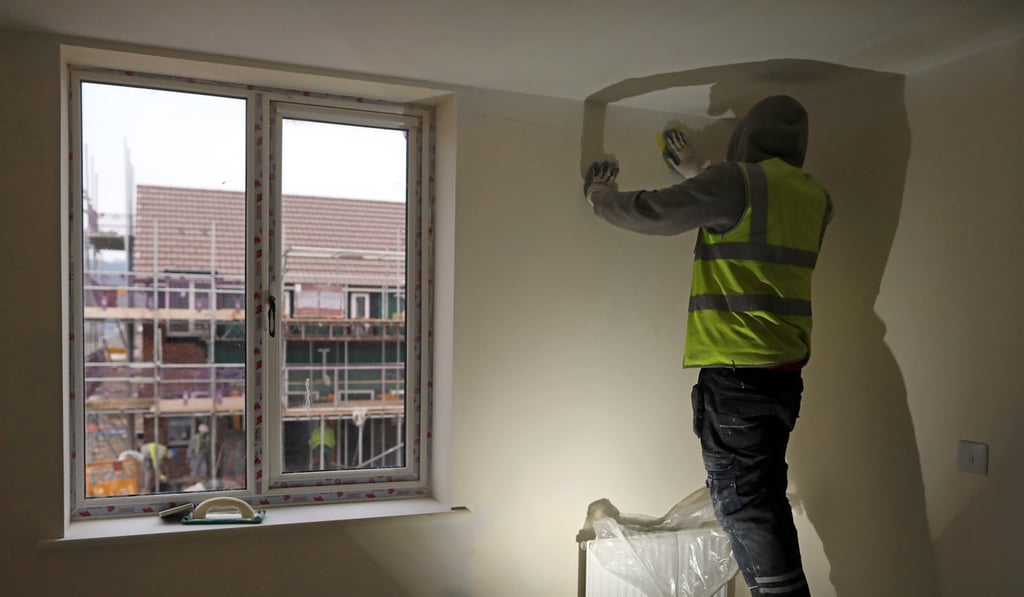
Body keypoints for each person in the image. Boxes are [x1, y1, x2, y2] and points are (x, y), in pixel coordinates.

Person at [584, 95, 832, 597]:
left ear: (747, 138)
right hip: (781, 374)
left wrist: (600, 196)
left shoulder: (735, 184)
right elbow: (749, 211)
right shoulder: (816, 197)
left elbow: (654, 212)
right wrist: (701, 170)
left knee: (747, 508)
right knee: (761, 502)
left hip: (739, 373)